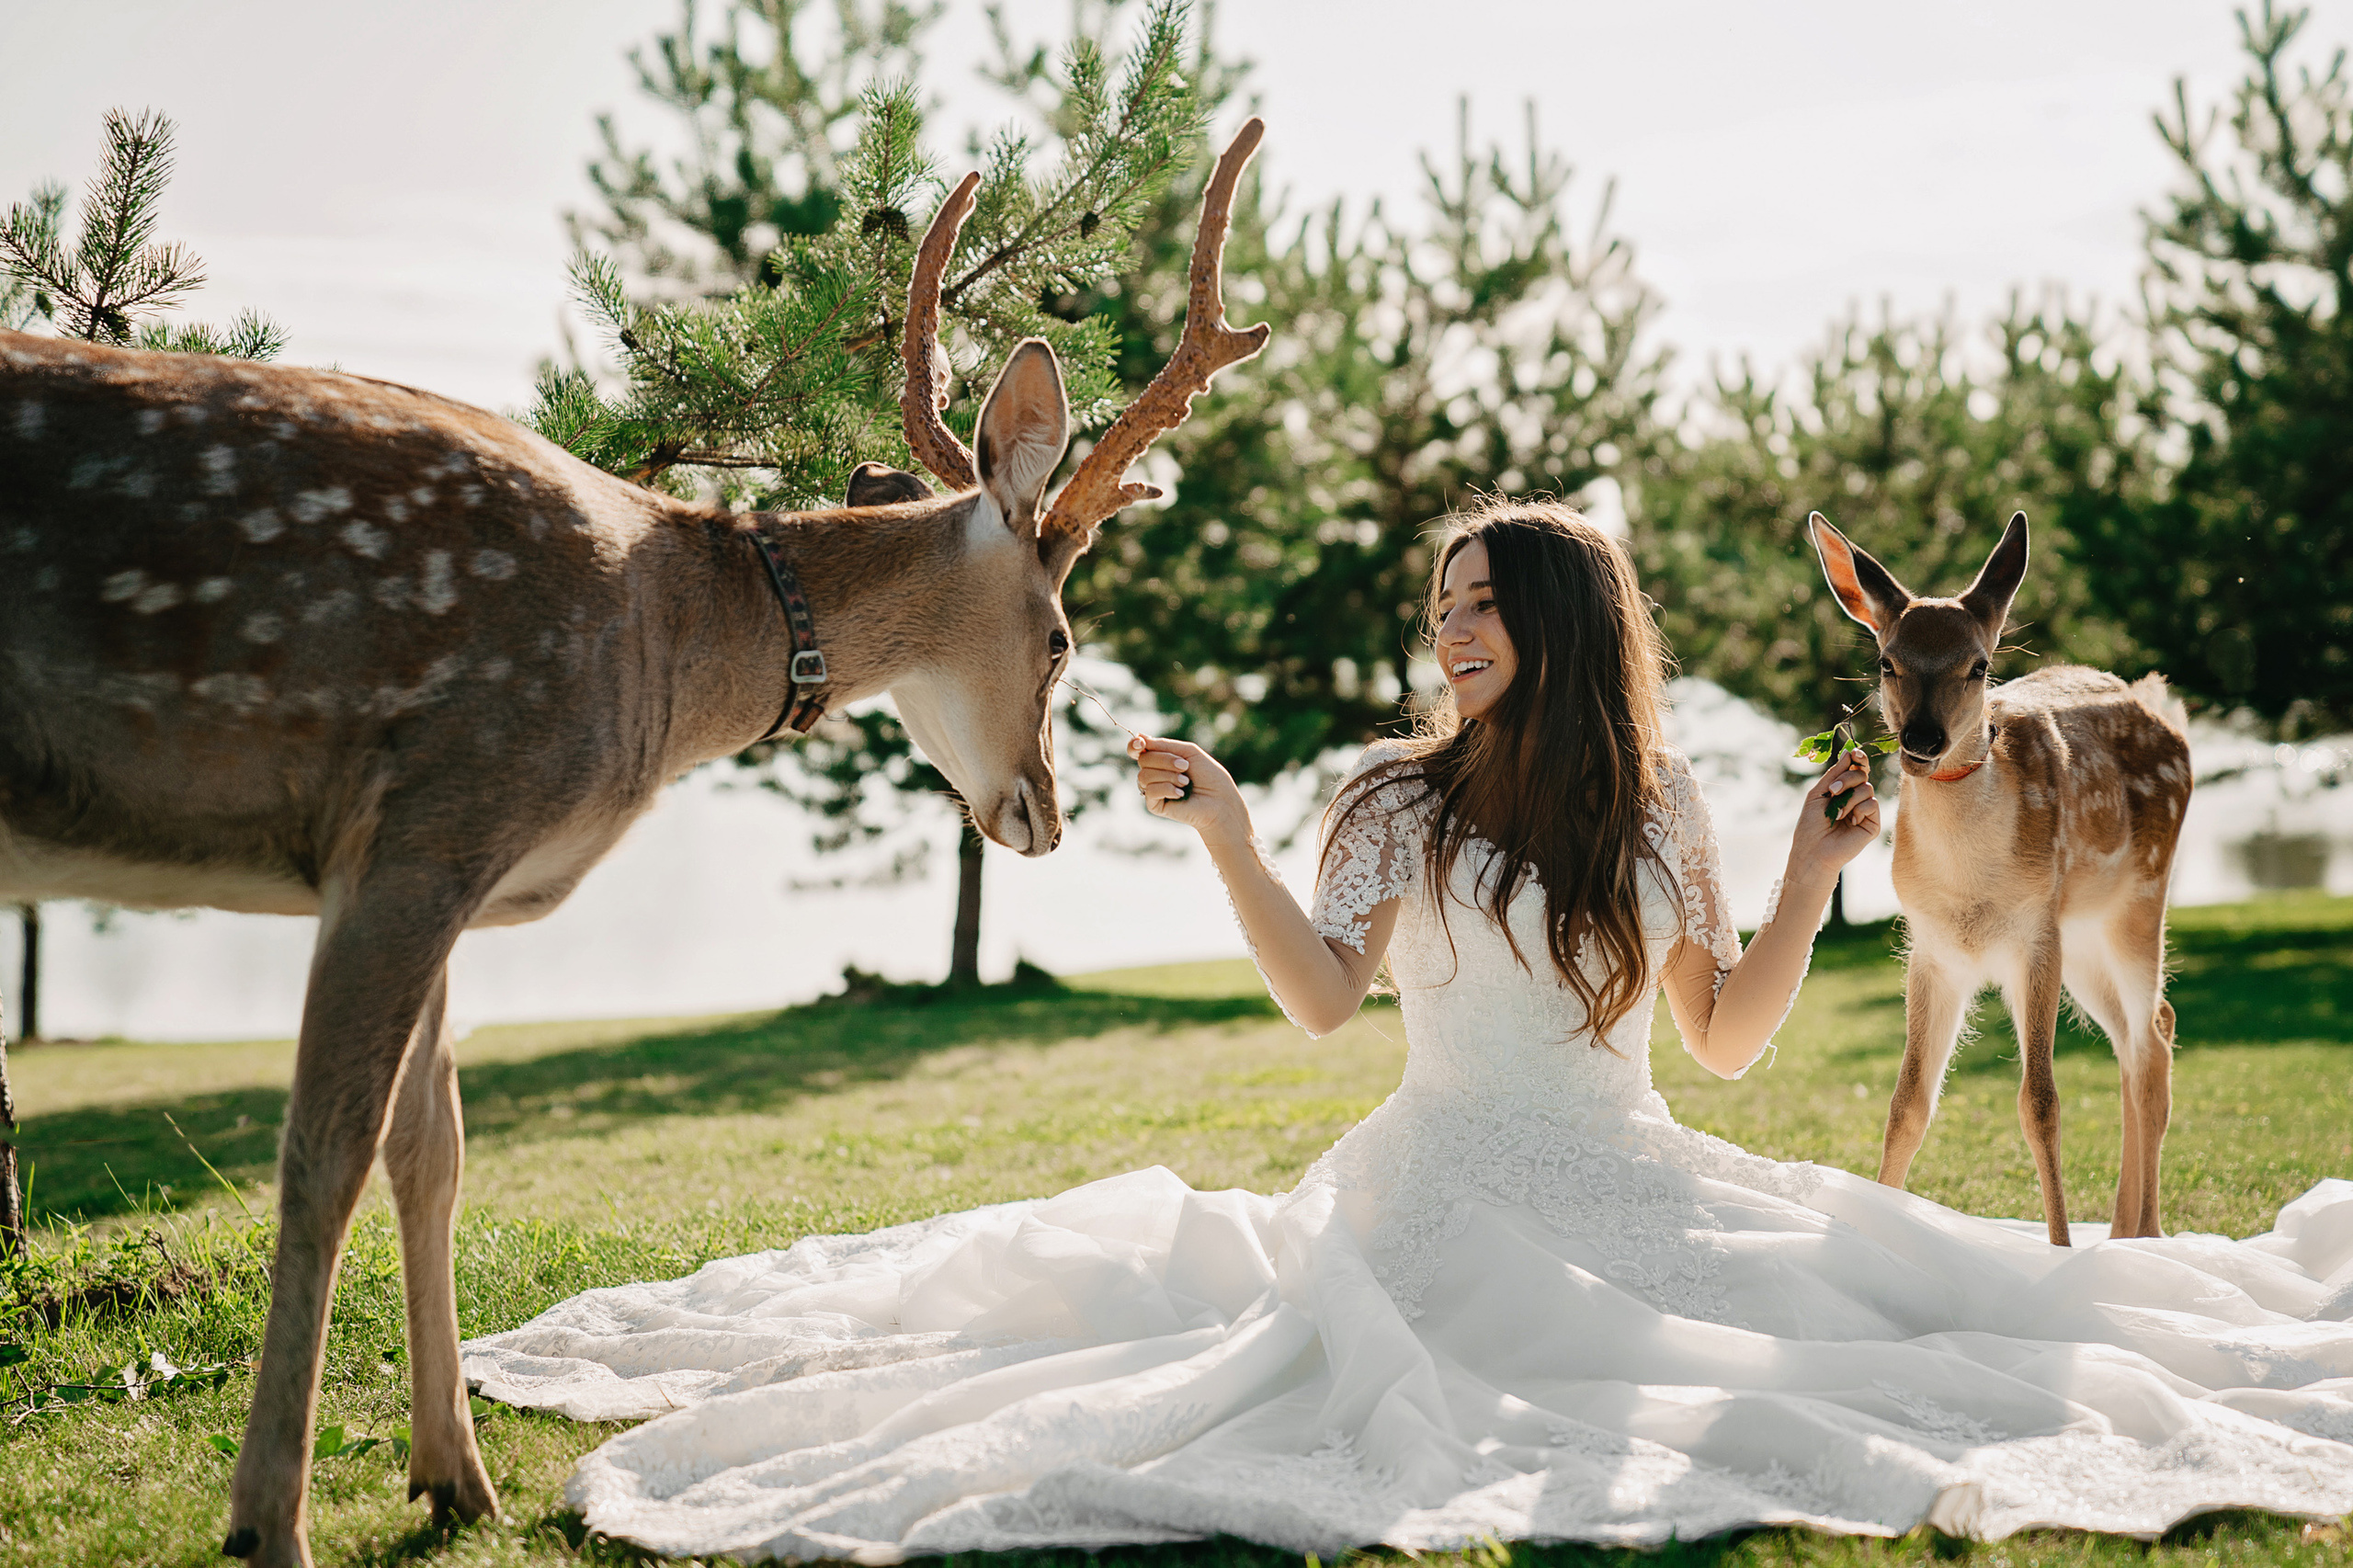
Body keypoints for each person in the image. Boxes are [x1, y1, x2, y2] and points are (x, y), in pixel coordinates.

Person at [465, 501, 2353, 1560]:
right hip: (1428, 1187)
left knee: (1898, 1328)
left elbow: (1719, 1045)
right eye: (1435, 606)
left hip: (1630, 1179)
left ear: (1554, 619)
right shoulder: (1384, 796)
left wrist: (1799, 871)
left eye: (1477, 606)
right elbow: (1318, 995)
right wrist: (1217, 829)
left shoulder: (1659, 806)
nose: (1447, 633)